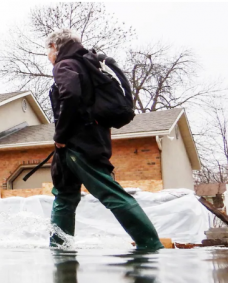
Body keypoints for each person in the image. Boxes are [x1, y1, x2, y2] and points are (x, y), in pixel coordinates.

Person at [46, 29, 163, 251]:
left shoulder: (66, 65)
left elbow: (70, 95)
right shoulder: (88, 64)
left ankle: (151, 244)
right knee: (64, 195)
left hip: (77, 143)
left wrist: (60, 136)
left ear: (54, 47)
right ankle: (59, 246)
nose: (49, 58)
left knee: (109, 192)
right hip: (90, 139)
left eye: (48, 52)